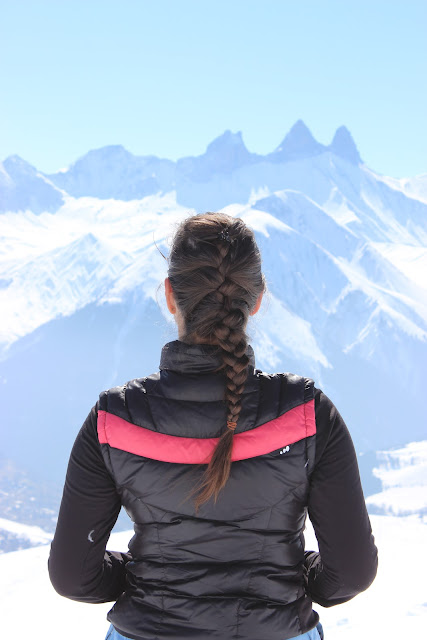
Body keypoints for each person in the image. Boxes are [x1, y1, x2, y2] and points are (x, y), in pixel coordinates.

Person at [48, 212, 378, 640]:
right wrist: (297, 581)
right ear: (258, 299)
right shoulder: (306, 414)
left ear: (170, 295)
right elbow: (351, 571)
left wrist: (140, 579)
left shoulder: (115, 419)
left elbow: (73, 575)